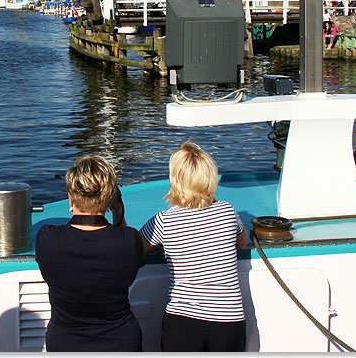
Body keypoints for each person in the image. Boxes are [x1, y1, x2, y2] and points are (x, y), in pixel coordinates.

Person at [141, 142, 248, 352]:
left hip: (183, 322)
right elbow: (242, 242)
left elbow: (138, 247)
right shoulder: (227, 212)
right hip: (228, 321)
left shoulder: (164, 221)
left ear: (175, 180)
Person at [35, 155, 145, 351]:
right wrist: (118, 212)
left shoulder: (48, 239)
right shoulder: (128, 241)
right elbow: (120, 237)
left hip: (65, 343)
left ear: (70, 198)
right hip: (121, 342)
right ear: (110, 198)